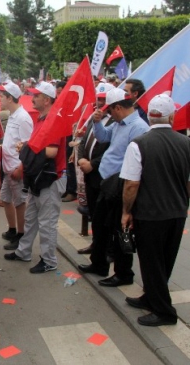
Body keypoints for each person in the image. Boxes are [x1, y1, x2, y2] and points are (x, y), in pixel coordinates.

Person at [121, 95, 190, 326]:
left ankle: (164, 311)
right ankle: (151, 296)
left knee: (151, 262)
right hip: (177, 212)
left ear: (149, 116)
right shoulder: (185, 143)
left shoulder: (139, 143)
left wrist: (126, 211)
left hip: (150, 213)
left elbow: (131, 184)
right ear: (171, 117)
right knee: (165, 260)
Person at [78, 88, 149, 286]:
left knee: (119, 230)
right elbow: (103, 137)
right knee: (100, 226)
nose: (109, 114)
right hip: (106, 182)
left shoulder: (138, 127)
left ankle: (123, 273)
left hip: (121, 184)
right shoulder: (119, 124)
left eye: (110, 111)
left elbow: (136, 162)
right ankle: (98, 264)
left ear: (118, 107)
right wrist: (97, 121)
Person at [5, 82, 66, 274]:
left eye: (36, 95)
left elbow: (51, 151)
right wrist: (27, 145)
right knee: (31, 218)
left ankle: (49, 261)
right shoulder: (41, 118)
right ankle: (24, 252)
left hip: (50, 178)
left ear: (46, 100)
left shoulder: (53, 119)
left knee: (47, 222)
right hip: (38, 178)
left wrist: (27, 148)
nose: (32, 98)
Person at [76, 83, 114, 254]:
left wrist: (93, 164)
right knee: (93, 213)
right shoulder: (94, 118)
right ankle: (96, 245)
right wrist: (82, 159)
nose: (101, 104)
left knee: (104, 216)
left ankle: (107, 249)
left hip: (104, 176)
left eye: (104, 101)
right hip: (89, 174)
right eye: (98, 100)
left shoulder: (115, 123)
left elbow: (112, 150)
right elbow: (84, 141)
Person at [0, 82, 33, 250]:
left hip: (16, 168)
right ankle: (12, 229)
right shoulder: (12, 115)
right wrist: (3, 146)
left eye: (2, 96)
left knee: (19, 203)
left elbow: (27, 145)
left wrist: (21, 168)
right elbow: (13, 140)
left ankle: (21, 235)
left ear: (10, 98)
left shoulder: (23, 118)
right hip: (8, 167)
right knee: (5, 199)